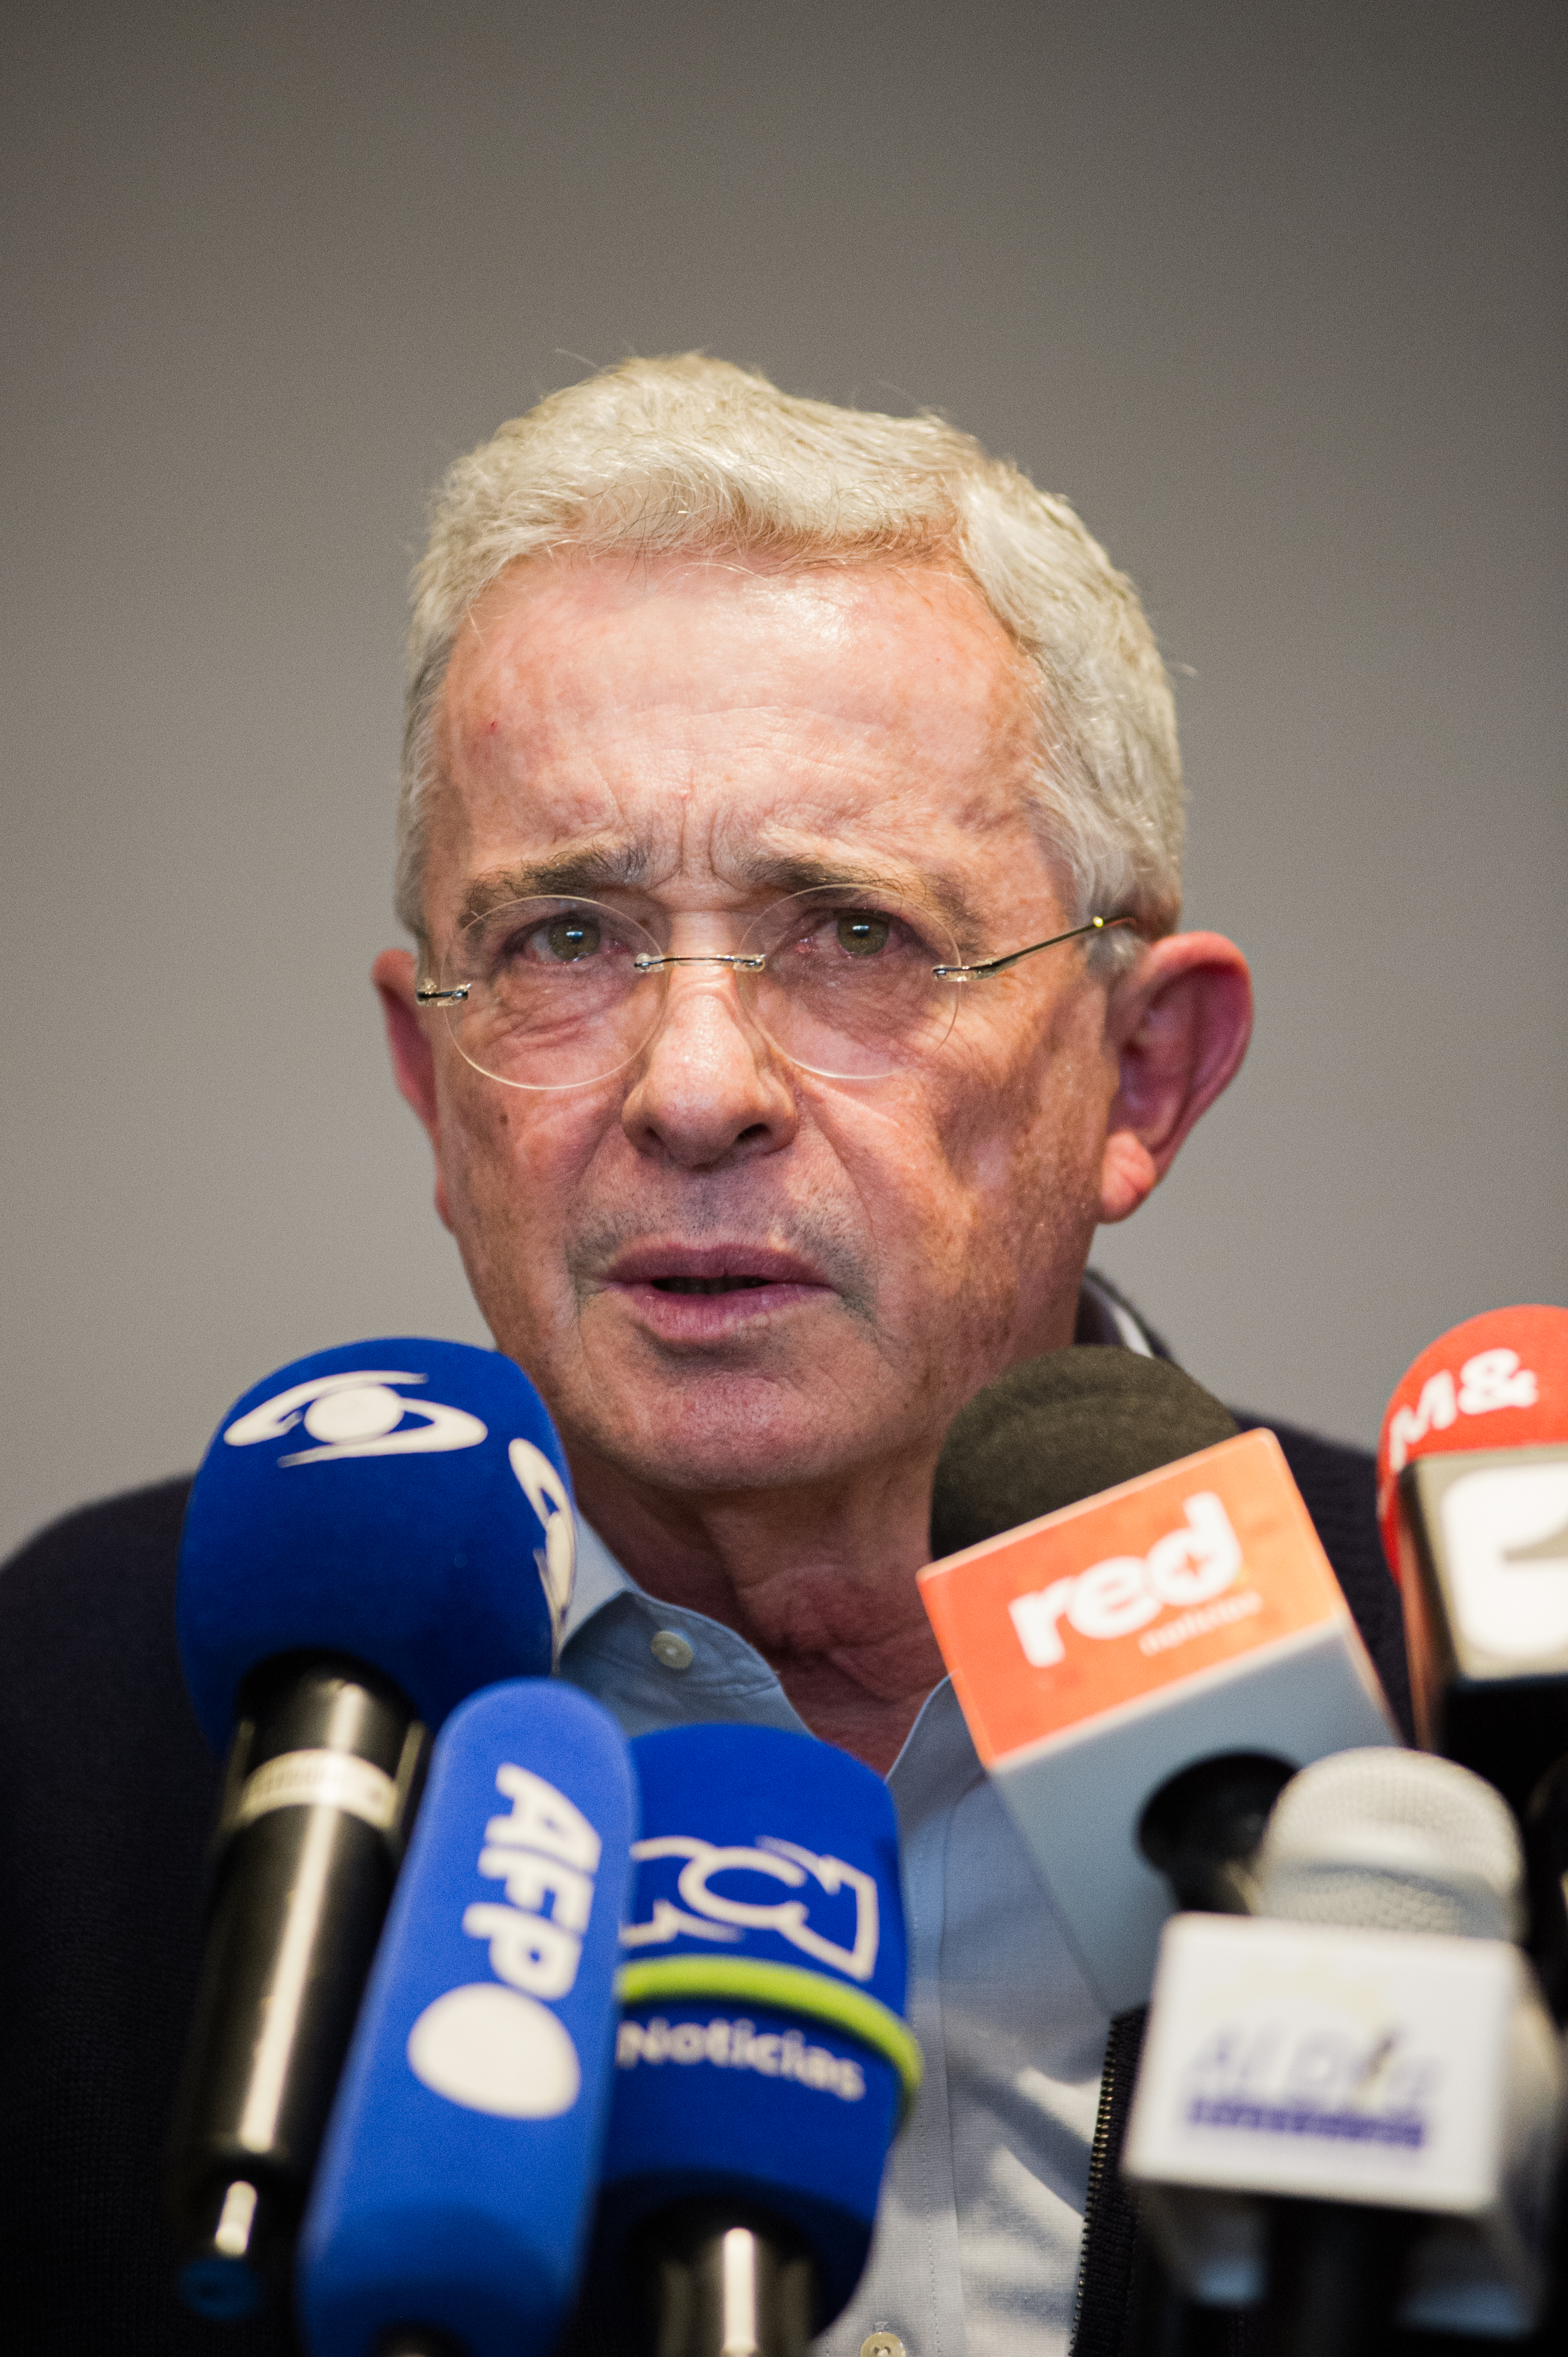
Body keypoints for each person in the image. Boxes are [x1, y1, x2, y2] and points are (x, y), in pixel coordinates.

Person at [0, 358, 1412, 2356]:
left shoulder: (1468, 1708)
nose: (689, 1088)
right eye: (565, 938)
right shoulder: (77, 1717)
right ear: (431, 1081)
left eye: (851, 930)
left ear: (1142, 1075)